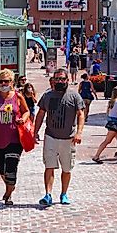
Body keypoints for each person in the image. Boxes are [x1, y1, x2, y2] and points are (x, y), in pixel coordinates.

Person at [34, 68, 85, 206]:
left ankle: (64, 193)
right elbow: (40, 114)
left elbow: (81, 114)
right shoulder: (47, 96)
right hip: (51, 136)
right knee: (49, 166)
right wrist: (35, 132)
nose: (60, 81)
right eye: (57, 79)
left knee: (66, 169)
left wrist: (79, 133)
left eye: (62, 79)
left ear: (67, 80)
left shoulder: (74, 96)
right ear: (53, 80)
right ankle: (48, 194)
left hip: (68, 138)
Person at [0, 69, 30, 206]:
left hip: (15, 138)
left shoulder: (18, 96)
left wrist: (23, 118)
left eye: (6, 81)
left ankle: (8, 194)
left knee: (11, 167)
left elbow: (26, 111)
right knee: (2, 170)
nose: (3, 83)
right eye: (1, 81)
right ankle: (10, 185)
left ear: (12, 82)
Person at [92, 87, 117, 163]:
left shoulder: (111, 102)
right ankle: (96, 156)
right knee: (107, 141)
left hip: (111, 122)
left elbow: (108, 113)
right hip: (114, 124)